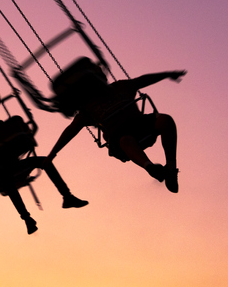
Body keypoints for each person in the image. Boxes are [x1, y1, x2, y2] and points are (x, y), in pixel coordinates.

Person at [45, 58, 185, 193]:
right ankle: (150, 167)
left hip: (140, 125)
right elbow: (71, 131)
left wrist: (168, 74)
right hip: (119, 137)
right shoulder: (88, 109)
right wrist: (53, 153)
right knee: (126, 140)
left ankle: (171, 167)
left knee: (165, 120)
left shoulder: (120, 87)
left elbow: (144, 80)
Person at [0, 100, 88, 235]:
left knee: (44, 161)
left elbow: (16, 139)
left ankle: (67, 196)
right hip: (0, 171)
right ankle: (27, 218)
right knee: (7, 180)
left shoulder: (2, 126)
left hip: (14, 165)